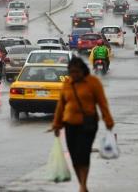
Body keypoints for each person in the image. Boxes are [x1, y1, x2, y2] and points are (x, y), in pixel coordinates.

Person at [52, 57, 114, 192]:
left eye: (76, 72)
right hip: (70, 124)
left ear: (83, 71)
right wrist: (56, 125)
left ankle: (83, 185)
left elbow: (102, 103)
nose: (74, 75)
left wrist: (108, 120)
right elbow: (60, 106)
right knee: (74, 156)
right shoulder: (67, 84)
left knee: (83, 154)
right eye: (71, 72)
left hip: (88, 124)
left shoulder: (93, 82)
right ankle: (82, 183)